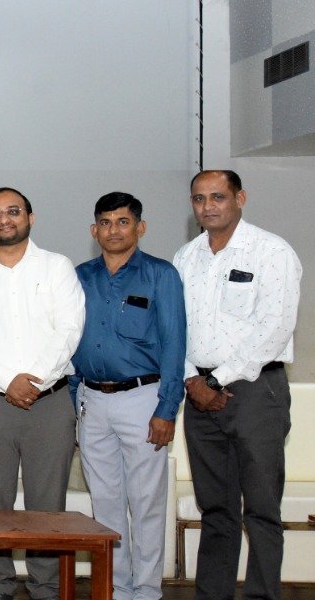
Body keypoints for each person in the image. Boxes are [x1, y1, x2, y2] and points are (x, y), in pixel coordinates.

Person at [0, 187, 84, 600]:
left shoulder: (57, 267)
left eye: (13, 211)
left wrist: (35, 380)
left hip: (50, 402)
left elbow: (69, 329)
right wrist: (9, 380)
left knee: (48, 504)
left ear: (30, 217)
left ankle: (47, 588)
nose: (4, 219)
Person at [174, 170, 300, 600]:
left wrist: (215, 379)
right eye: (199, 199)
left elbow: (275, 327)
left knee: (262, 509)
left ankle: (262, 595)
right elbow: (175, 329)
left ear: (240, 198)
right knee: (216, 509)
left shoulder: (271, 251)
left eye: (218, 197)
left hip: (254, 390)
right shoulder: (186, 257)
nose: (208, 206)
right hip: (198, 394)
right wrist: (193, 379)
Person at [68, 192, 186, 600]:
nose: (113, 230)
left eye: (123, 221)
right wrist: (74, 401)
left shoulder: (160, 275)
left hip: (143, 399)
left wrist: (167, 408)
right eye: (105, 222)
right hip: (91, 399)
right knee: (105, 501)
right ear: (93, 230)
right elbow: (69, 342)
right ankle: (117, 587)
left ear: (140, 227)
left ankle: (147, 589)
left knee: (146, 501)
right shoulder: (80, 277)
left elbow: (174, 344)